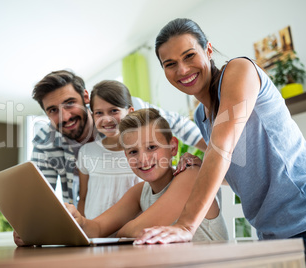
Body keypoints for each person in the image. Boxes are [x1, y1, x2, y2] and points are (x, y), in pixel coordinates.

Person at [134, 18, 306, 267]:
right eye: (170, 64)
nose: (182, 70)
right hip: (272, 233)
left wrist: (186, 225)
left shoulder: (239, 70)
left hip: (304, 218)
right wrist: (199, 164)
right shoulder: (201, 115)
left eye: (189, 56)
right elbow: (236, 171)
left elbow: (222, 148)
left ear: (208, 50)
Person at [14, 108, 228, 246]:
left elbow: (136, 230)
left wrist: (115, 231)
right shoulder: (139, 192)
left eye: (152, 147)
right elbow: (96, 228)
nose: (143, 159)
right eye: (133, 152)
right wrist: (62, 224)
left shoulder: (190, 175)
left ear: (173, 147)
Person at [30, 70, 207, 207]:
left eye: (70, 103)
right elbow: (40, 196)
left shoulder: (127, 113)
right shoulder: (46, 141)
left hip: (139, 205)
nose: (65, 116)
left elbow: (178, 124)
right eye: (53, 110)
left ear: (85, 97)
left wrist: (217, 154)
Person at [76, 80, 142, 219]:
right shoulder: (86, 152)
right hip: (95, 237)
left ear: (130, 111)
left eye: (114, 111)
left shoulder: (144, 153)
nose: (107, 120)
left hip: (133, 236)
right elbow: (83, 197)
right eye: (99, 113)